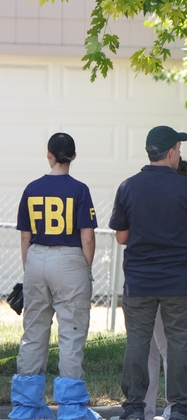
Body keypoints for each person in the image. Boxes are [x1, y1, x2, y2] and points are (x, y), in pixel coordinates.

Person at [109, 126, 187, 420]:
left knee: (137, 343)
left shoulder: (128, 186)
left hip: (140, 281)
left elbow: (122, 236)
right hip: (179, 281)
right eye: (179, 148)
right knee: (178, 344)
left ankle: (134, 408)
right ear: (172, 152)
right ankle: (180, 408)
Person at [10, 133, 99, 420]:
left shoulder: (32, 188)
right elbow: (87, 238)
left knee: (34, 331)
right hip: (70, 257)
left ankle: (26, 408)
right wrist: (84, 269)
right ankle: (71, 411)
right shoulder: (80, 190)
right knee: (71, 334)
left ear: (48, 155)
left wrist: (30, 267)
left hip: (36, 256)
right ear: (73, 156)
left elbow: (25, 237)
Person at [144, 158, 187, 420]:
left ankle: (156, 408)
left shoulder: (155, 199)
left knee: (157, 349)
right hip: (175, 282)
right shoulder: (185, 199)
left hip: (148, 282)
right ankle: (167, 408)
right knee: (164, 348)